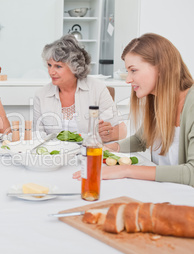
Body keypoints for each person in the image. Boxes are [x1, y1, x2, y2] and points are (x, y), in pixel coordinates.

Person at [73, 33, 194, 187]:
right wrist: (111, 148)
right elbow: (141, 140)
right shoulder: (159, 101)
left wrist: (126, 170)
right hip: (165, 192)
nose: (128, 79)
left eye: (133, 70)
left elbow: (192, 173)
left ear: (161, 68)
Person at [33, 34, 127, 142]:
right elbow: (37, 135)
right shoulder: (41, 95)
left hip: (89, 153)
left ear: (75, 67)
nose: (51, 72)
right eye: (49, 65)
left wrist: (109, 134)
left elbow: (122, 130)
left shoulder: (97, 88)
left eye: (58, 66)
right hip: (55, 156)